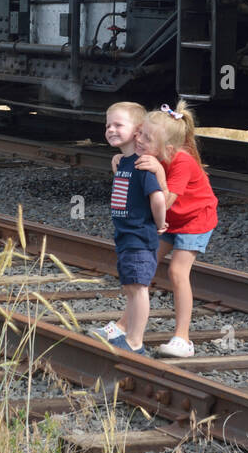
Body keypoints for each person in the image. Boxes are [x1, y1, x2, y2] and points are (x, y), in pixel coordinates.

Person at [135, 101, 219, 358]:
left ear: (167, 149)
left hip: (196, 219)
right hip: (170, 220)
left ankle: (183, 339)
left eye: (146, 137)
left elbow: (167, 198)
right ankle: (124, 326)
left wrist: (159, 172)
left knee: (177, 271)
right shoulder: (149, 154)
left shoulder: (181, 161)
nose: (138, 140)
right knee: (143, 266)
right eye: (139, 132)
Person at [89, 100, 166, 355]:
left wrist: (160, 222)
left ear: (137, 130)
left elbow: (157, 197)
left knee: (139, 288)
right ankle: (128, 335)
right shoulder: (123, 160)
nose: (111, 129)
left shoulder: (144, 165)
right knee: (131, 287)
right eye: (108, 125)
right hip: (125, 235)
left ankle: (135, 341)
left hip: (139, 236)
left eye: (118, 125)